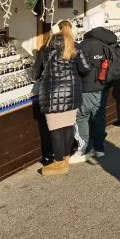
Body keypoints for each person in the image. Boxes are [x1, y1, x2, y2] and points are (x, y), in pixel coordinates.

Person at [34, 20, 92, 176]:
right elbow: (86, 68)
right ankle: (65, 158)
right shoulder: (75, 47)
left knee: (55, 129)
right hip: (72, 92)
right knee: (67, 126)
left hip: (51, 94)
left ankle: (59, 162)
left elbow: (36, 73)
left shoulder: (45, 49)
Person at [70, 12, 119, 163]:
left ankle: (81, 149)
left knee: (81, 116)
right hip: (105, 84)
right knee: (99, 115)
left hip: (87, 86)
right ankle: (99, 148)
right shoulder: (110, 41)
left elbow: (79, 67)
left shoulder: (86, 44)